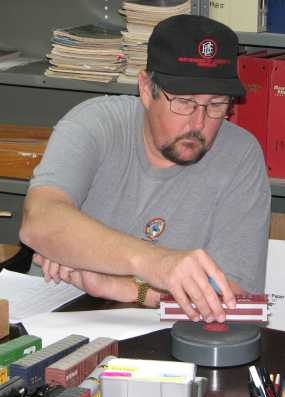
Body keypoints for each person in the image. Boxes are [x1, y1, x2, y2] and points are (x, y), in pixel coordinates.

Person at [20, 14, 271, 324]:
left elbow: (233, 300)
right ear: (145, 88)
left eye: (217, 104)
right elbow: (39, 220)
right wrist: (154, 263)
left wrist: (125, 286)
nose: (199, 123)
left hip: (159, 339)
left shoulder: (241, 155)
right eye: (183, 102)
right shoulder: (96, 124)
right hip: (56, 312)